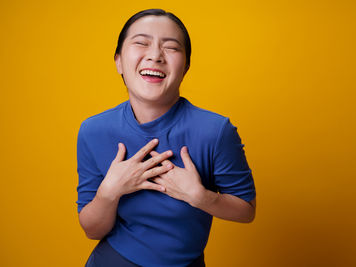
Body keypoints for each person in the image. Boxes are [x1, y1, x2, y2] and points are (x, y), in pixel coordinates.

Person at [76, 9, 256, 267]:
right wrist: (108, 192)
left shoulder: (216, 131)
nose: (155, 55)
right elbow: (92, 230)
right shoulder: (94, 130)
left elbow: (247, 211)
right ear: (118, 61)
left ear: (185, 67)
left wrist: (202, 197)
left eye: (171, 47)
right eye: (141, 43)